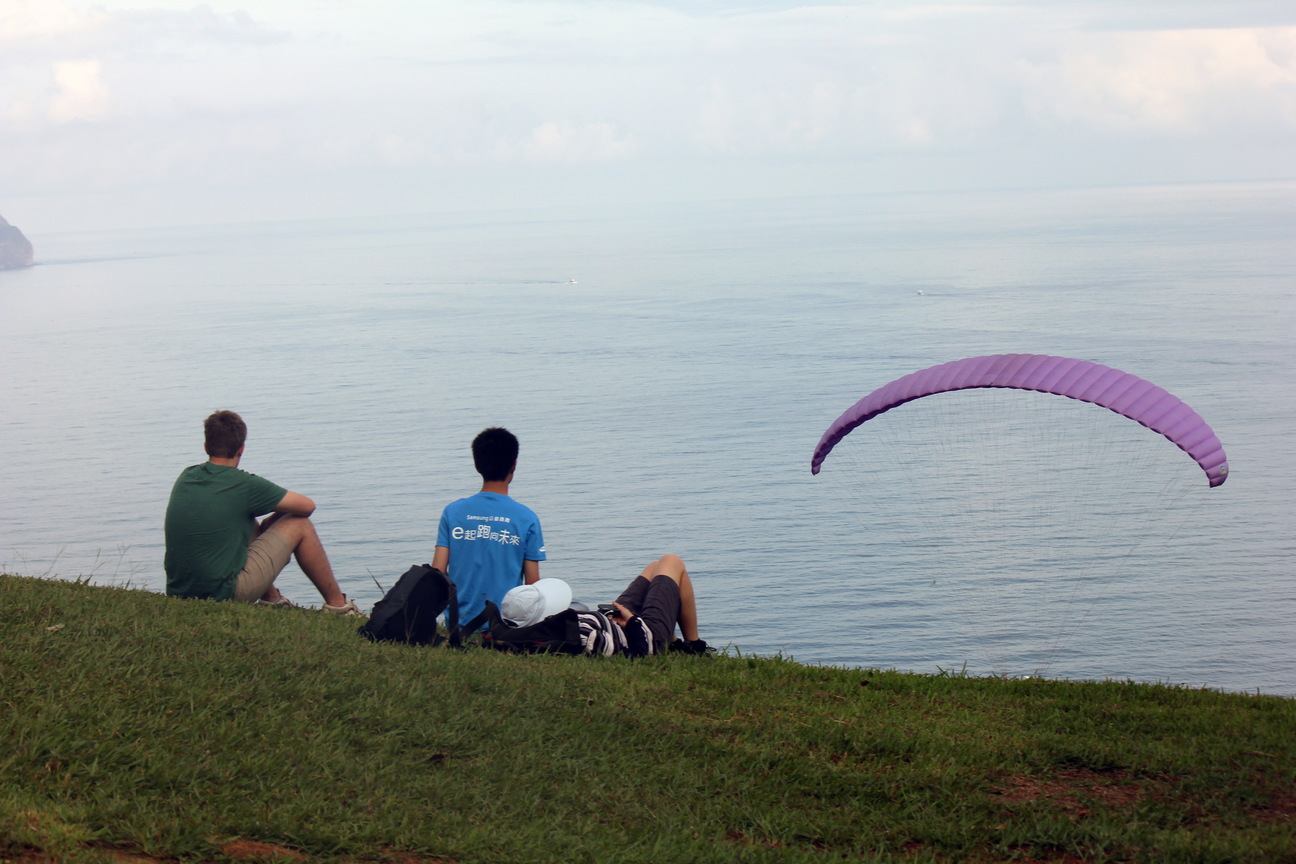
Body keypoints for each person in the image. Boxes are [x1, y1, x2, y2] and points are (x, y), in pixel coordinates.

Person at [164, 410, 364, 615]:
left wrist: (268, 523)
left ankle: (271, 599)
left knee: (246, 520)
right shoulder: (244, 485)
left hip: (180, 591)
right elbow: (307, 506)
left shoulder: (187, 476)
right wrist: (276, 518)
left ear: (206, 446)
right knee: (300, 525)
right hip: (223, 594)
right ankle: (339, 607)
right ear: (241, 449)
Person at [432, 427, 545, 627]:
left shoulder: (453, 512)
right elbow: (532, 585)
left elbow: (437, 573)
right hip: (505, 627)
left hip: (458, 626)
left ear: (477, 465)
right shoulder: (527, 518)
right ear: (514, 466)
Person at [501, 554, 712, 656]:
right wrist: (632, 622)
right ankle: (693, 646)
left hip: (615, 621)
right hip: (644, 633)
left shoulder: (542, 630)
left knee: (655, 567)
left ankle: (675, 642)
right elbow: (638, 653)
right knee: (672, 561)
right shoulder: (582, 637)